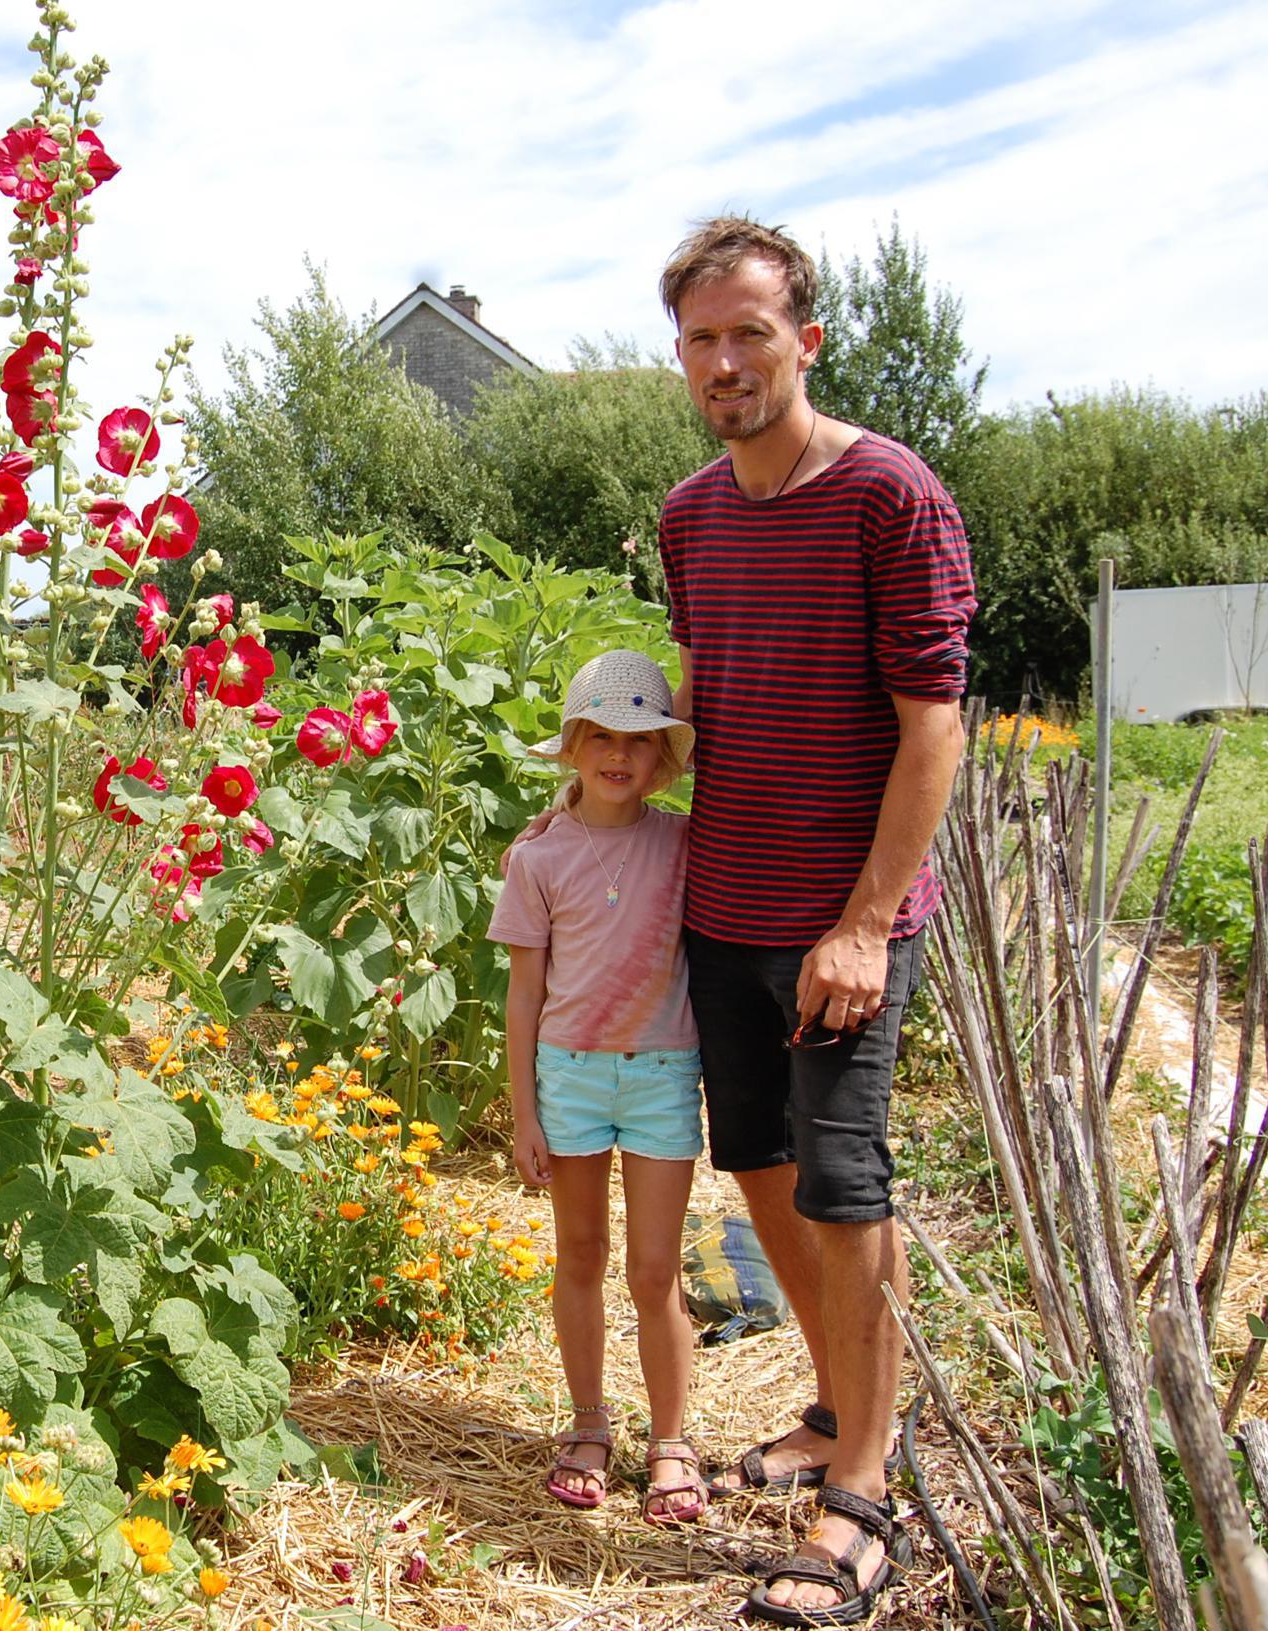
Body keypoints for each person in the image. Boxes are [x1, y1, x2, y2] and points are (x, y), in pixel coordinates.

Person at [657, 216, 975, 1625]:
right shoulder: (688, 514)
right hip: (718, 899)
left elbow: (931, 726)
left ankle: (860, 1496)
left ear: (806, 339)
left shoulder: (886, 496)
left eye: (748, 333)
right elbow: (710, 691)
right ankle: (843, 1402)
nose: (724, 361)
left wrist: (863, 920)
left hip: (836, 919)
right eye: (699, 339)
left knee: (845, 1188)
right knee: (764, 1168)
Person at [488, 648, 708, 1527]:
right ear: (573, 745)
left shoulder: (683, 843)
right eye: (602, 737)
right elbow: (524, 991)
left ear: (662, 760)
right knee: (579, 1256)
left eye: (641, 741)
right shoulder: (536, 857)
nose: (620, 756)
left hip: (661, 1073)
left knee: (655, 1271)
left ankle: (670, 1438)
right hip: (570, 1076)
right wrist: (523, 1111)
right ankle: (587, 1422)